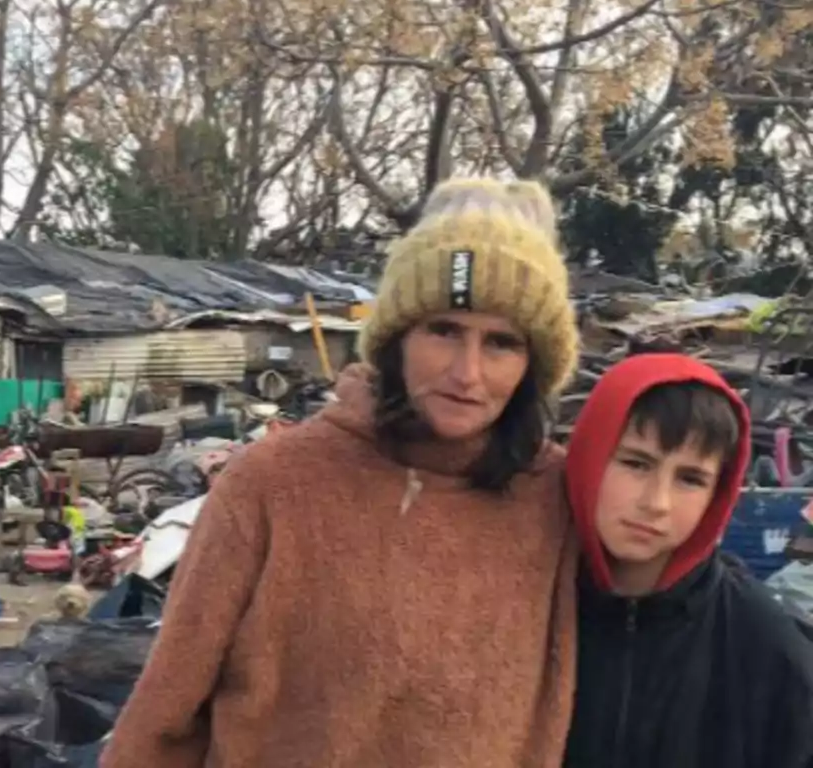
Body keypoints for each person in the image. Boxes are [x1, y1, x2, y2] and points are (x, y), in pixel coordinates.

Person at [100, 177, 582, 767]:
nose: (467, 372)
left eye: (502, 342)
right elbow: (163, 719)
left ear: (535, 365)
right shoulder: (273, 484)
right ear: (398, 338)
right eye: (444, 330)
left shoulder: (559, 500)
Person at [563, 353, 813, 768]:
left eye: (690, 479)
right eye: (636, 464)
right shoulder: (525, 611)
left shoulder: (766, 649)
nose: (656, 503)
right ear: (589, 457)